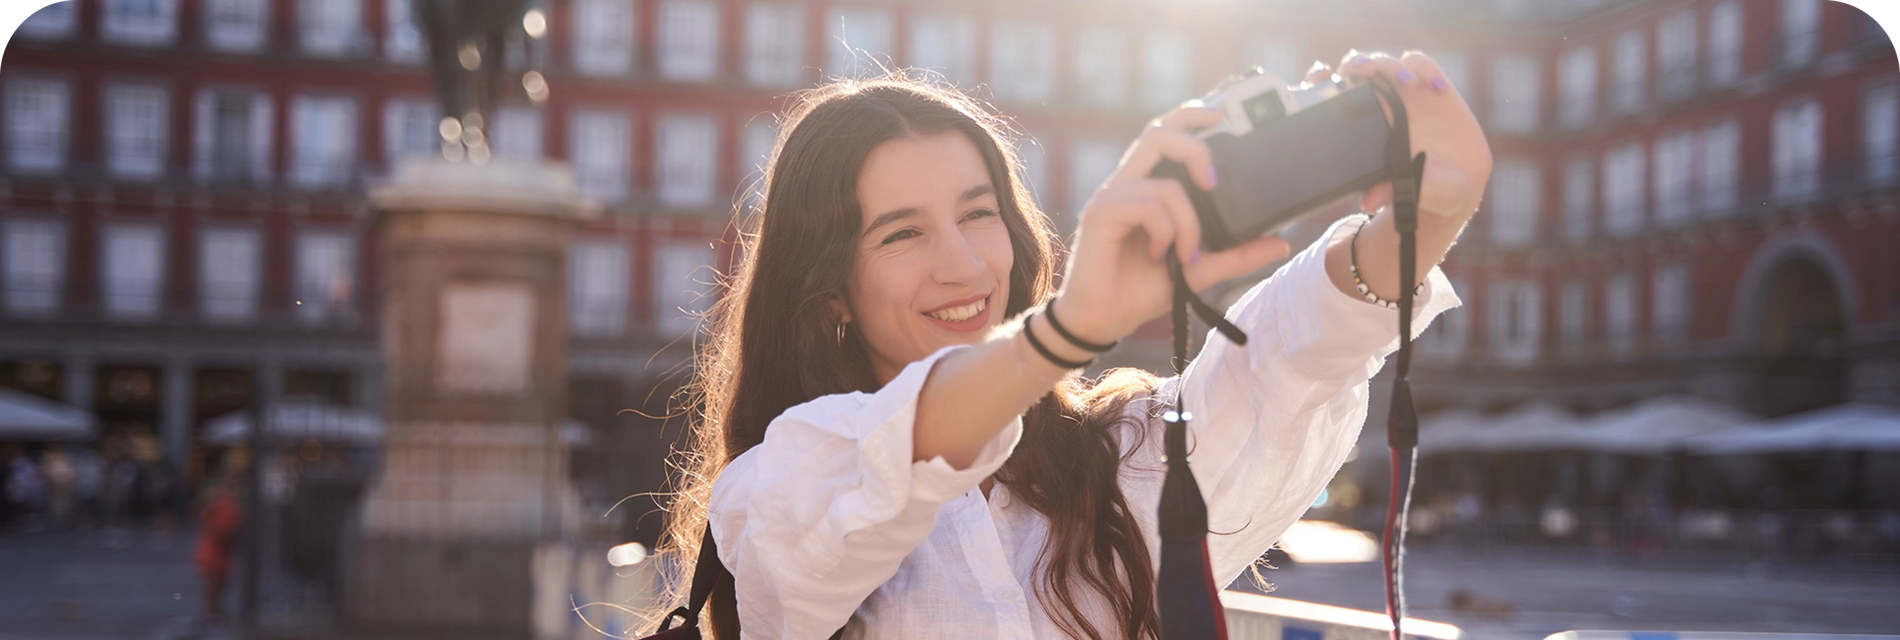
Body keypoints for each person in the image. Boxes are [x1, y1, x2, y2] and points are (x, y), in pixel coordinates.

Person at [655, 50, 1490, 639]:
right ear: (830, 286)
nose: (965, 265)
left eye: (979, 214)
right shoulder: (780, 487)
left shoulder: (1120, 465)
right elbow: (883, 459)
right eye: (902, 234)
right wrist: (1065, 330)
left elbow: (1286, 361)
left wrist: (1436, 211)